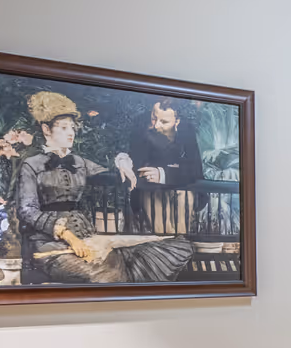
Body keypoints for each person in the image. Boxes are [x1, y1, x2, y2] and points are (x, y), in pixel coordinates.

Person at [15, 90, 193, 284]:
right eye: (64, 128)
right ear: (46, 130)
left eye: (73, 128)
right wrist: (66, 234)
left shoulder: (80, 162)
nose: (71, 133)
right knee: (109, 276)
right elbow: (27, 210)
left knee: (154, 254)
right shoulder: (32, 165)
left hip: (87, 237)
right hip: (50, 245)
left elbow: (113, 176)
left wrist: (123, 162)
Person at [126, 97, 206, 235]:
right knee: (164, 234)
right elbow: (138, 165)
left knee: (180, 234)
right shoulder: (141, 125)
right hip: (151, 189)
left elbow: (194, 169)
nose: (156, 125)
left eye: (164, 122)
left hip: (181, 189)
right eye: (153, 118)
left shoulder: (186, 129)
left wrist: (162, 173)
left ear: (177, 122)